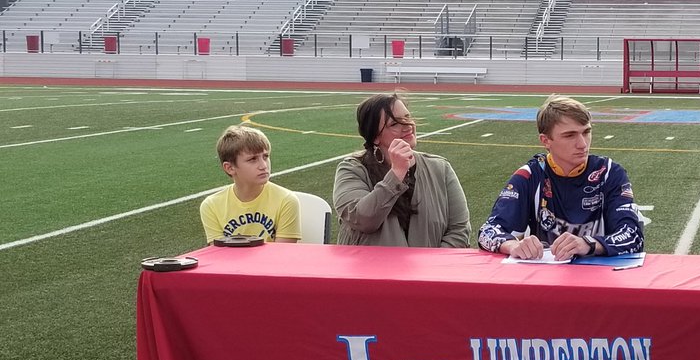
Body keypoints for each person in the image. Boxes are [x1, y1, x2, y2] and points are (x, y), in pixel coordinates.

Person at [478, 95, 643, 261]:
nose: (582, 144)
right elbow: (488, 231)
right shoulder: (530, 175)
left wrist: (588, 244)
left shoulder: (608, 173)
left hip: (599, 277)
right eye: (570, 135)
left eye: (586, 132)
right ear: (546, 141)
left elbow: (633, 235)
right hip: (547, 278)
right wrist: (514, 245)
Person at [333, 93, 470, 247]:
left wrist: (432, 266)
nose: (407, 126)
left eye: (407, 117)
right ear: (375, 137)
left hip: (431, 269)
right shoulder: (352, 169)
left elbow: (459, 231)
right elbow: (363, 220)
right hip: (370, 268)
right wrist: (396, 175)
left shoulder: (440, 168)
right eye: (394, 124)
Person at [200, 125, 301, 244]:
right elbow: (219, 255)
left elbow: (282, 255)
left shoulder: (286, 200)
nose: (263, 166)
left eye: (265, 156)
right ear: (230, 168)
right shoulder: (211, 206)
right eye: (253, 159)